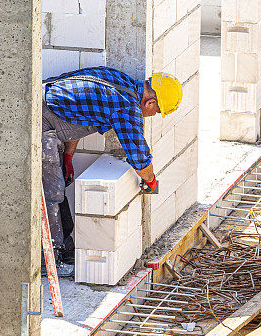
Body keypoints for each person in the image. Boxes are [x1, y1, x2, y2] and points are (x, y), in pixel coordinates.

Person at [41, 67, 183, 277]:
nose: (153, 115)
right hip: (38, 120)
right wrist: (151, 181)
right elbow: (139, 155)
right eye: (157, 112)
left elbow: (77, 113)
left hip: (47, 105)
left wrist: (69, 157)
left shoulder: (118, 79)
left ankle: (66, 246)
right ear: (150, 103)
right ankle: (50, 259)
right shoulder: (127, 107)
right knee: (51, 192)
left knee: (58, 183)